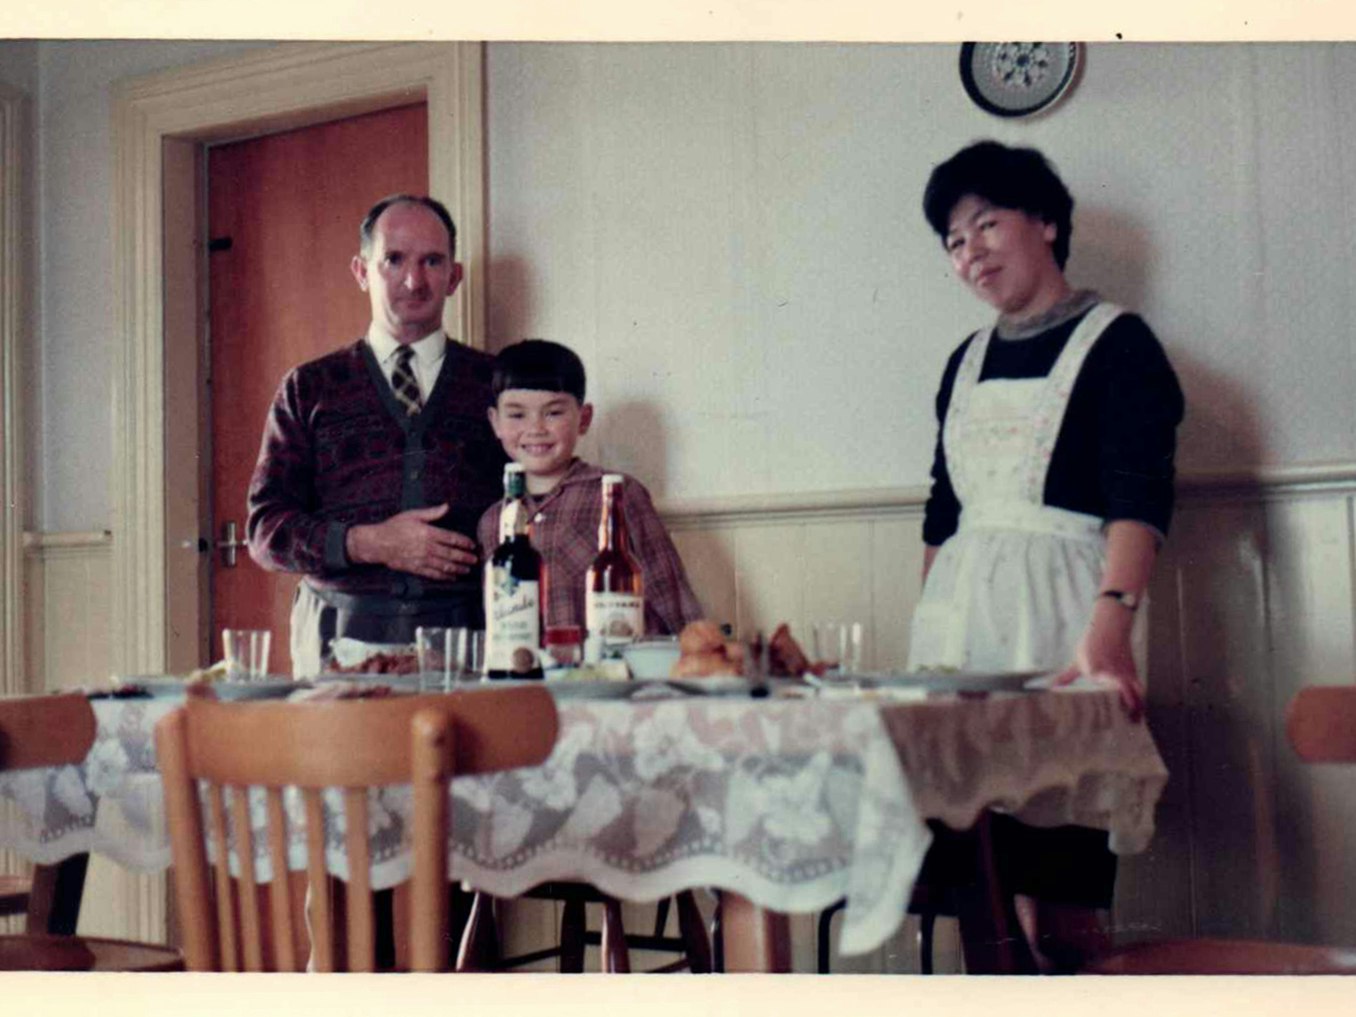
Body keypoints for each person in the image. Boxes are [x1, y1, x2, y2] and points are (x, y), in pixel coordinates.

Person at [907, 141, 1184, 971]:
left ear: (1049, 223)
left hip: (1065, 622)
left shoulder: (1121, 344)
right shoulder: (963, 362)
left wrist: (1111, 627)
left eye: (987, 224)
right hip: (959, 636)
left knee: (1060, 897)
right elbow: (943, 511)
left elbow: (1140, 495)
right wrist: (929, 635)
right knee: (975, 887)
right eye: (954, 242)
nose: (971, 253)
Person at [247, 194, 507, 677]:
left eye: (432, 260)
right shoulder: (308, 387)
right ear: (361, 271)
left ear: (455, 276)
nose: (414, 280)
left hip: (468, 641)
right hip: (336, 639)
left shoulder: (495, 384)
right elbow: (266, 531)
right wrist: (368, 543)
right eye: (394, 260)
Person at [477, 339, 703, 636]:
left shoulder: (618, 495)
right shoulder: (493, 521)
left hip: (617, 677)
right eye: (517, 415)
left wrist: (697, 656)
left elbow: (671, 596)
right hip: (531, 676)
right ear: (495, 422)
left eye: (553, 413)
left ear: (583, 419)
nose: (535, 429)